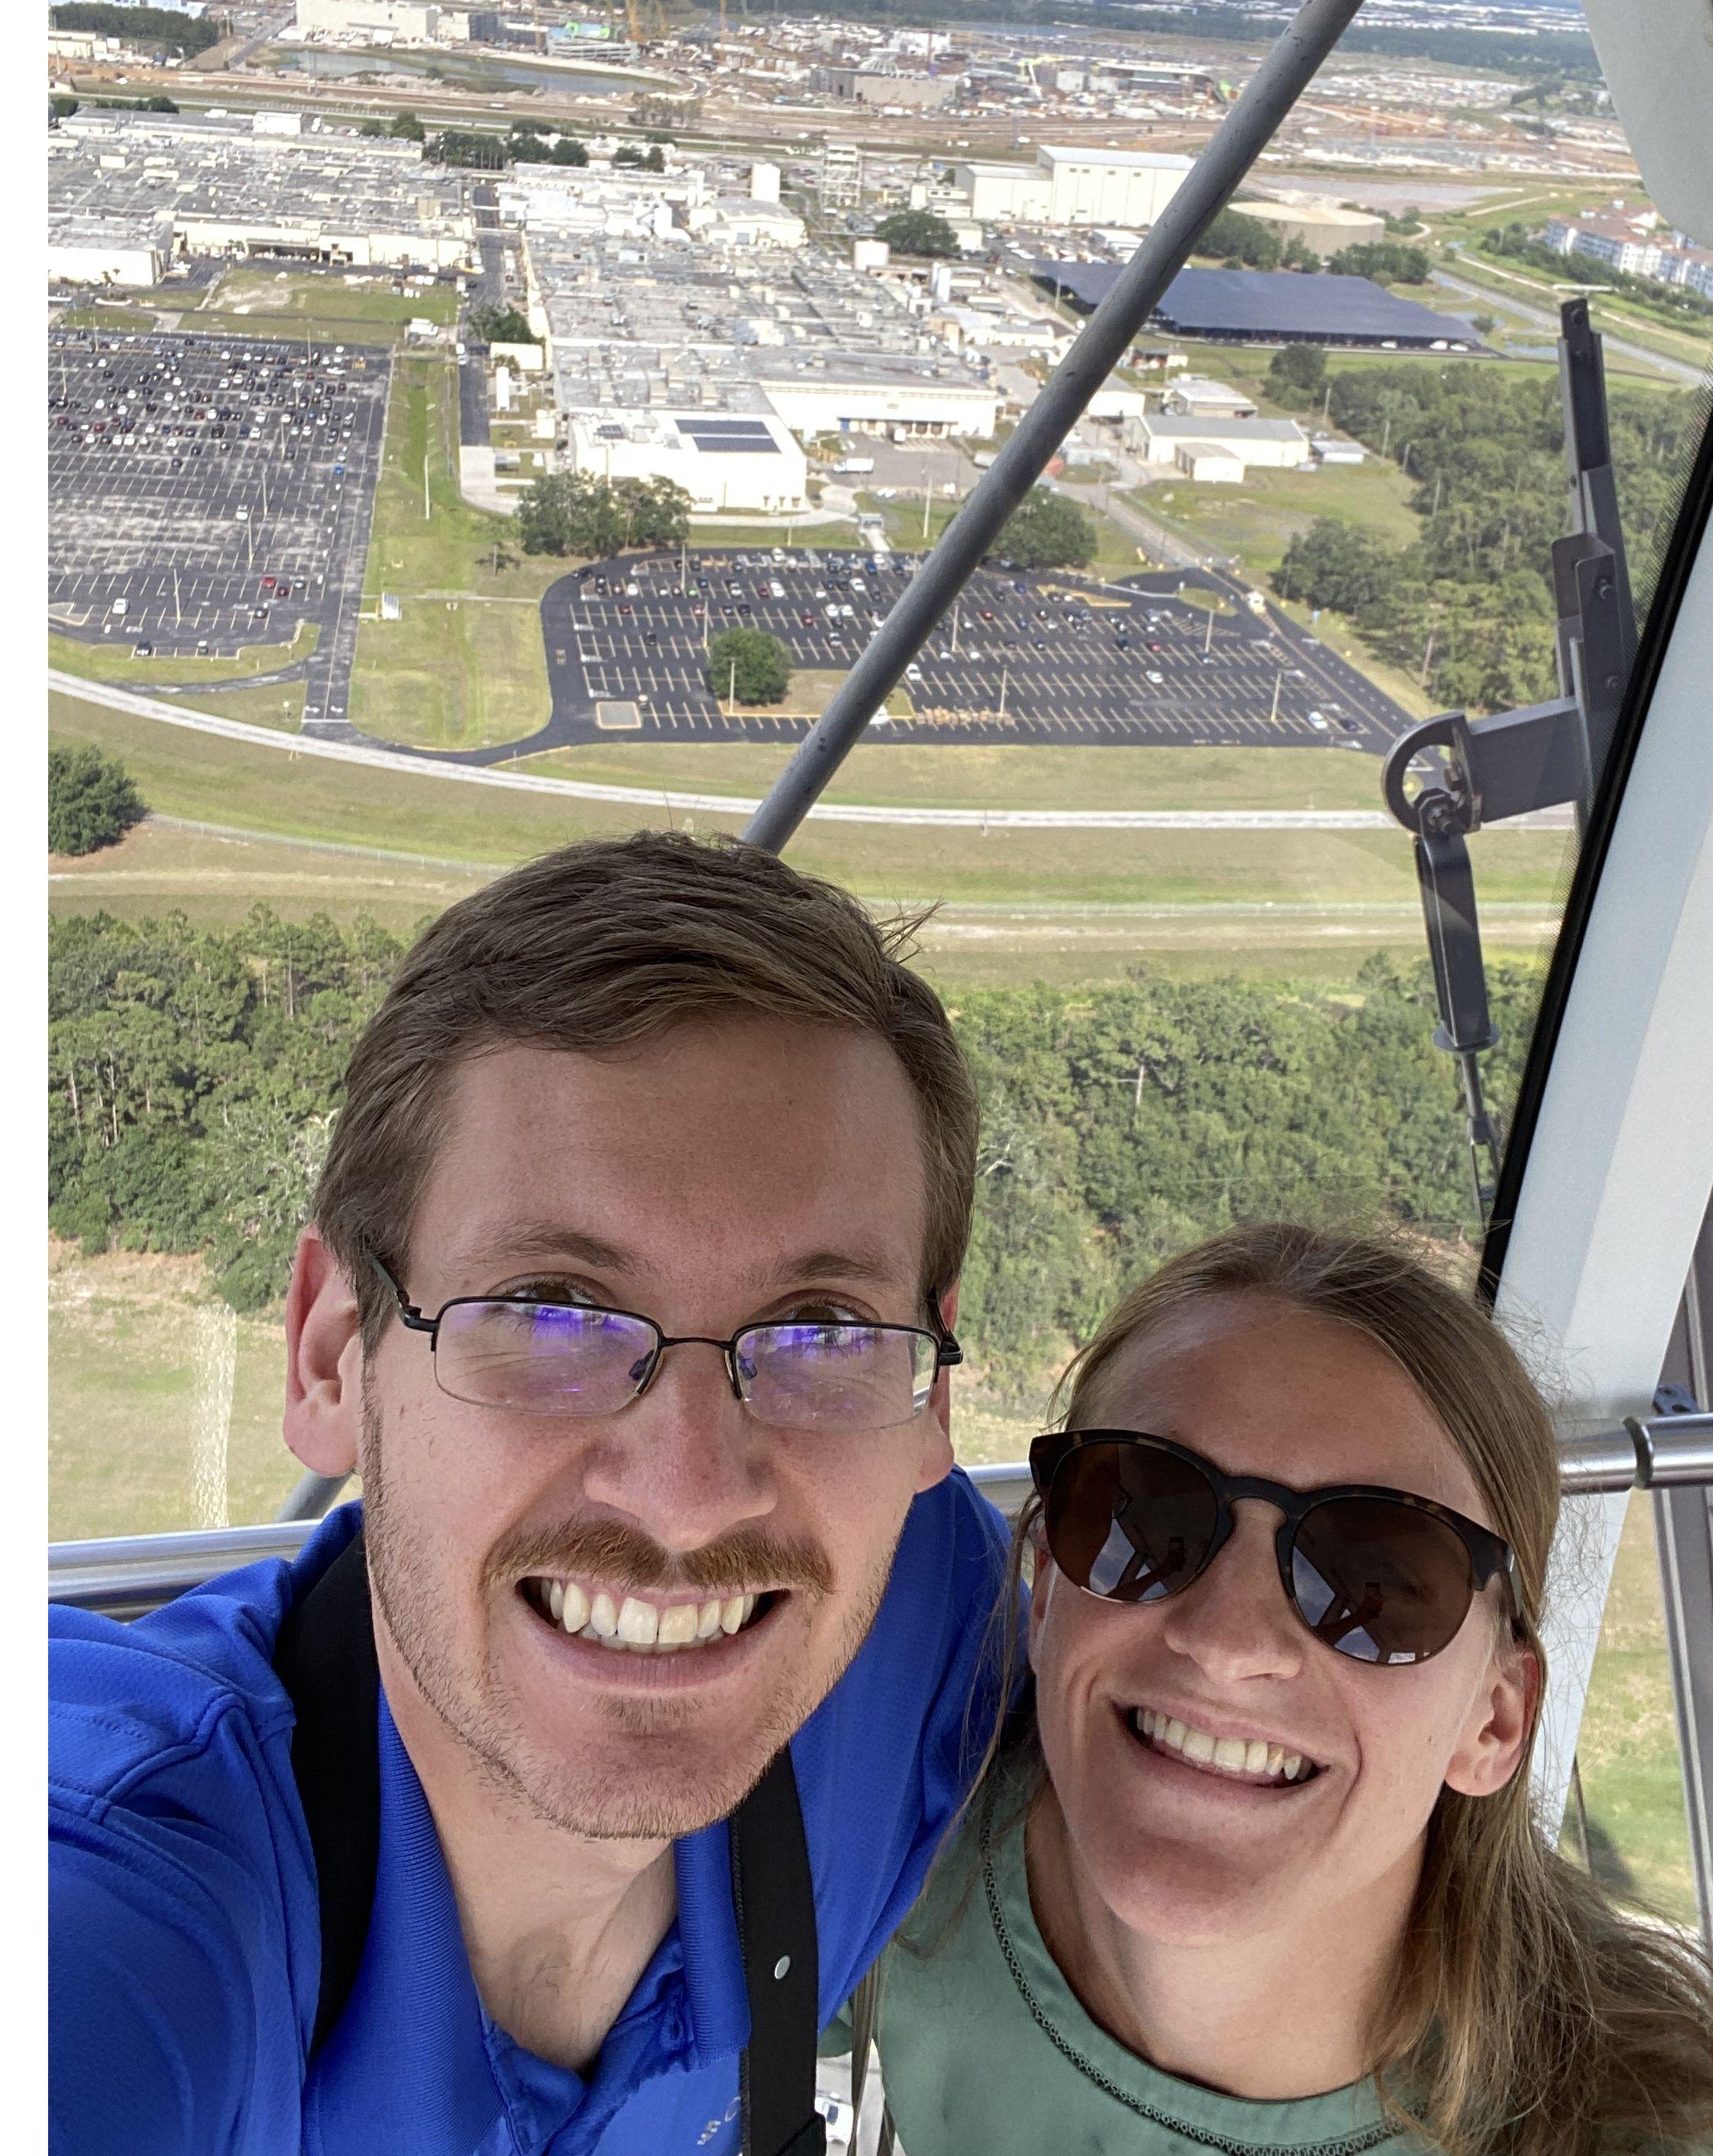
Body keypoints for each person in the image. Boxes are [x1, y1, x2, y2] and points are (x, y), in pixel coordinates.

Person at [51, 833, 1012, 2155]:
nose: (687, 1499)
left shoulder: (932, 1620)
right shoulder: (129, 1910)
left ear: (930, 1398)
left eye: (821, 1329)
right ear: (331, 1355)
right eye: (552, 1310)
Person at [862, 1223, 1713, 2156]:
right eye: (1142, 1522)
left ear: (1493, 1721)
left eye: (1371, 1584)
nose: (1226, 1642)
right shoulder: (892, 1827)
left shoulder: (1637, 2130)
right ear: (1043, 1591)